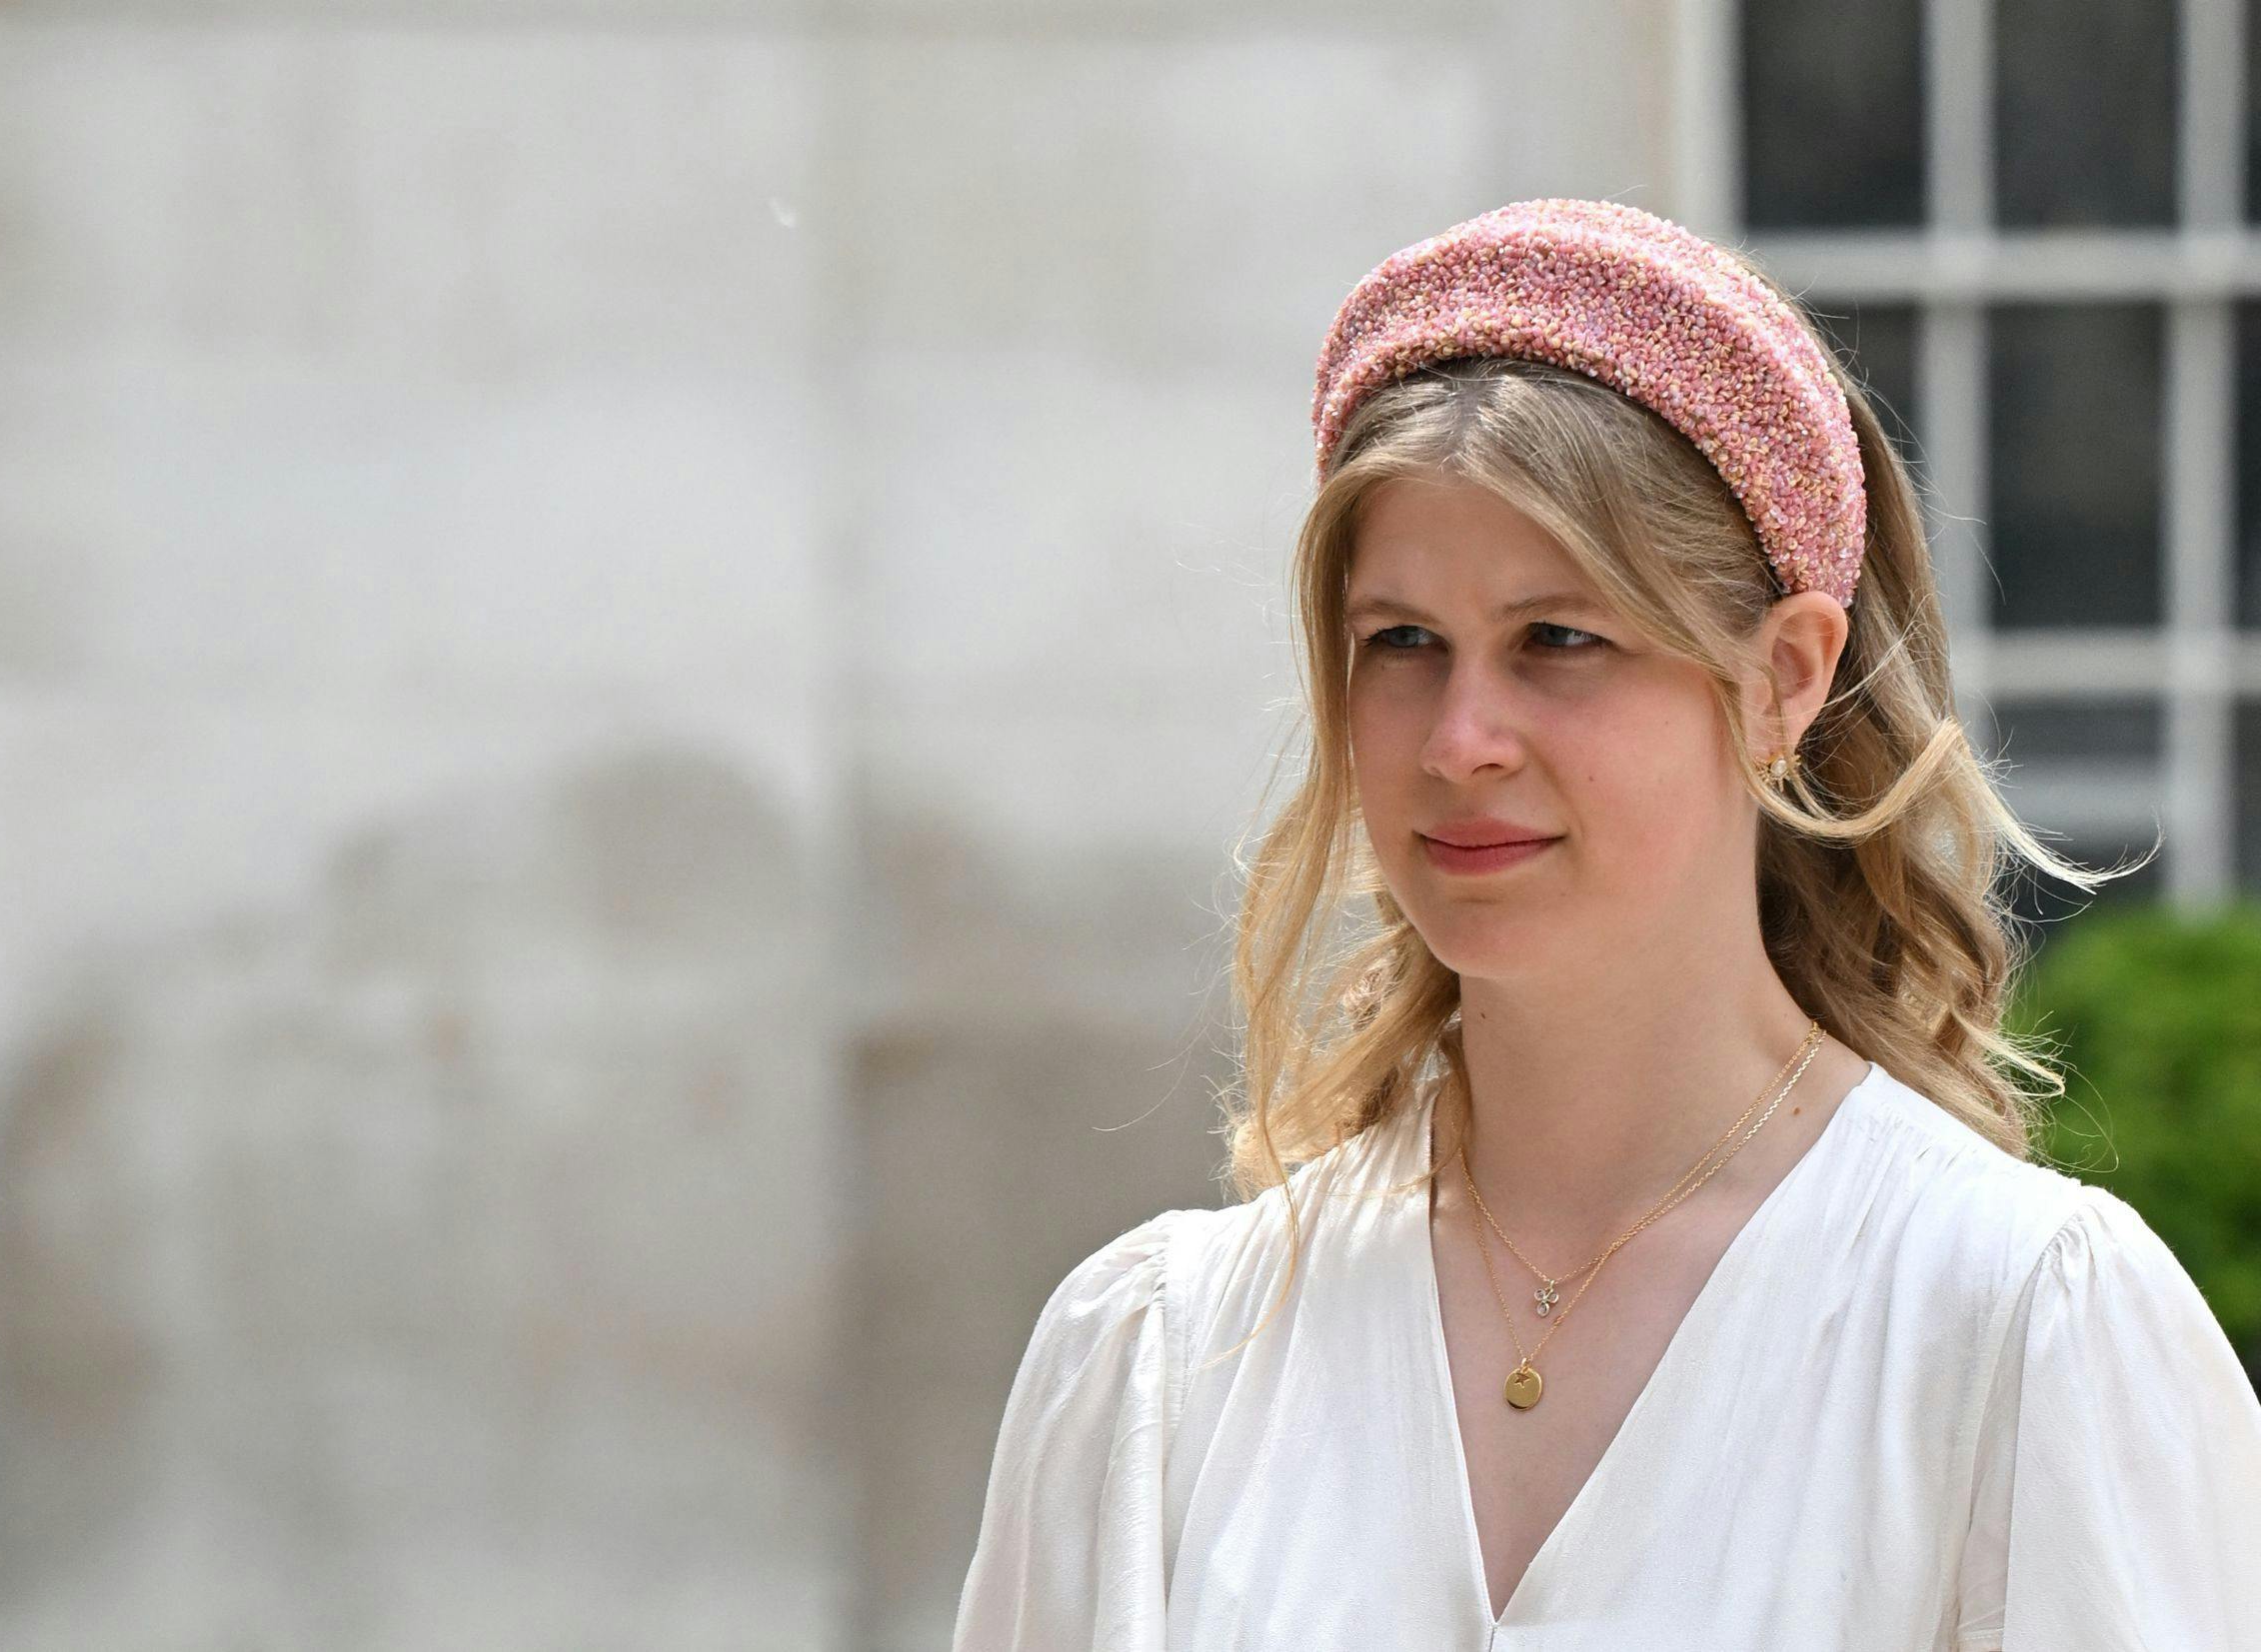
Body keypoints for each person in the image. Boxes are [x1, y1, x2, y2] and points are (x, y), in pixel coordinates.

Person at [948, 198, 2261, 1650]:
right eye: (1402, 643)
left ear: (1784, 677)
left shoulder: (2014, 1329)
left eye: (1557, 639)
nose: (1460, 739)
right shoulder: (1167, 1362)